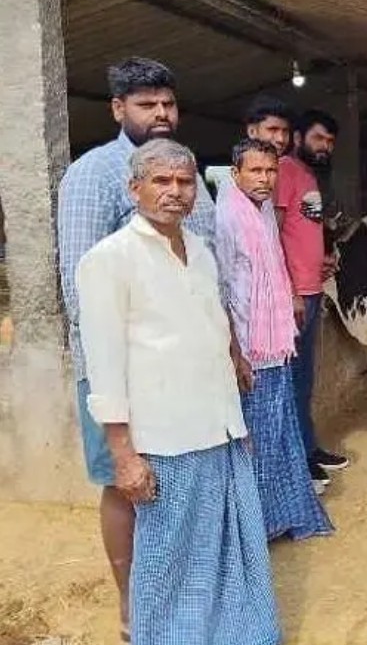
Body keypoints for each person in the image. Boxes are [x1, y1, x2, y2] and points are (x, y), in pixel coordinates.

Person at [76, 139, 281, 645]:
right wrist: (124, 455)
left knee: (226, 550)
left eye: (185, 182)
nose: (175, 191)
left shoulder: (201, 252)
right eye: (161, 181)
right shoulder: (109, 261)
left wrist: (235, 416)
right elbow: (105, 369)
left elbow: (216, 333)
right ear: (135, 189)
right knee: (168, 560)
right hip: (165, 440)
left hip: (218, 431)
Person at [56, 57, 217, 639]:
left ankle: (178, 593)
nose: (161, 113)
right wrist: (115, 380)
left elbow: (208, 264)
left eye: (168, 103)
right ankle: (132, 607)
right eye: (147, 104)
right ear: (118, 108)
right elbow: (80, 287)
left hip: (185, 369)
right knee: (124, 482)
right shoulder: (93, 174)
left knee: (176, 479)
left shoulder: (181, 169)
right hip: (121, 371)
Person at [216, 138, 334, 540]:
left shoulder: (263, 209)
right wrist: (235, 352)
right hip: (250, 346)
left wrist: (291, 296)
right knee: (258, 440)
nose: (265, 179)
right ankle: (257, 528)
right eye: (256, 171)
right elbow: (221, 289)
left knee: (280, 432)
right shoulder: (227, 217)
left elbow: (276, 260)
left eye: (270, 171)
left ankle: (282, 517)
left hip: (275, 342)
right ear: (236, 174)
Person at [274, 109, 348, 489]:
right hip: (295, 296)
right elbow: (272, 233)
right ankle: (296, 462)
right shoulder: (284, 171)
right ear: (298, 138)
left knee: (304, 380)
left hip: (312, 288)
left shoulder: (310, 177)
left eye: (330, 142)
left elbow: (302, 233)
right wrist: (289, 290)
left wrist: (323, 261)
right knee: (290, 382)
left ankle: (308, 448)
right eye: (318, 138)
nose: (325, 147)